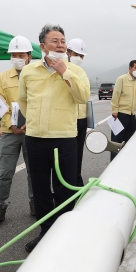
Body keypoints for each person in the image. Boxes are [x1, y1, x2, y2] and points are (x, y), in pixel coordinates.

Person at [19, 24, 90, 252]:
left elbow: (83, 97)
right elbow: (23, 100)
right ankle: (45, 232)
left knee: (64, 190)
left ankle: (65, 235)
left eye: (62, 41)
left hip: (64, 139)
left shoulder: (76, 71)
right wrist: (34, 119)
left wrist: (64, 72)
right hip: (35, 138)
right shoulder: (29, 71)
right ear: (42, 46)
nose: (60, 45)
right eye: (54, 41)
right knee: (40, 189)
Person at [0, 36, 35, 228]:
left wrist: (32, 123)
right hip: (9, 132)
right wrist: (11, 124)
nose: (17, 58)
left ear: (29, 56)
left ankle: (35, 204)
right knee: (5, 172)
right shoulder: (2, 78)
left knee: (34, 172)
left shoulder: (38, 75)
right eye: (13, 54)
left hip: (33, 133)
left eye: (21, 54)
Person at [66, 38, 89, 186]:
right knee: (67, 155)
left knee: (78, 153)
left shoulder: (81, 73)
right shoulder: (60, 71)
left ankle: (76, 181)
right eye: (76, 54)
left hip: (81, 119)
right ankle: (67, 184)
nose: (79, 58)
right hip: (67, 120)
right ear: (67, 53)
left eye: (82, 56)